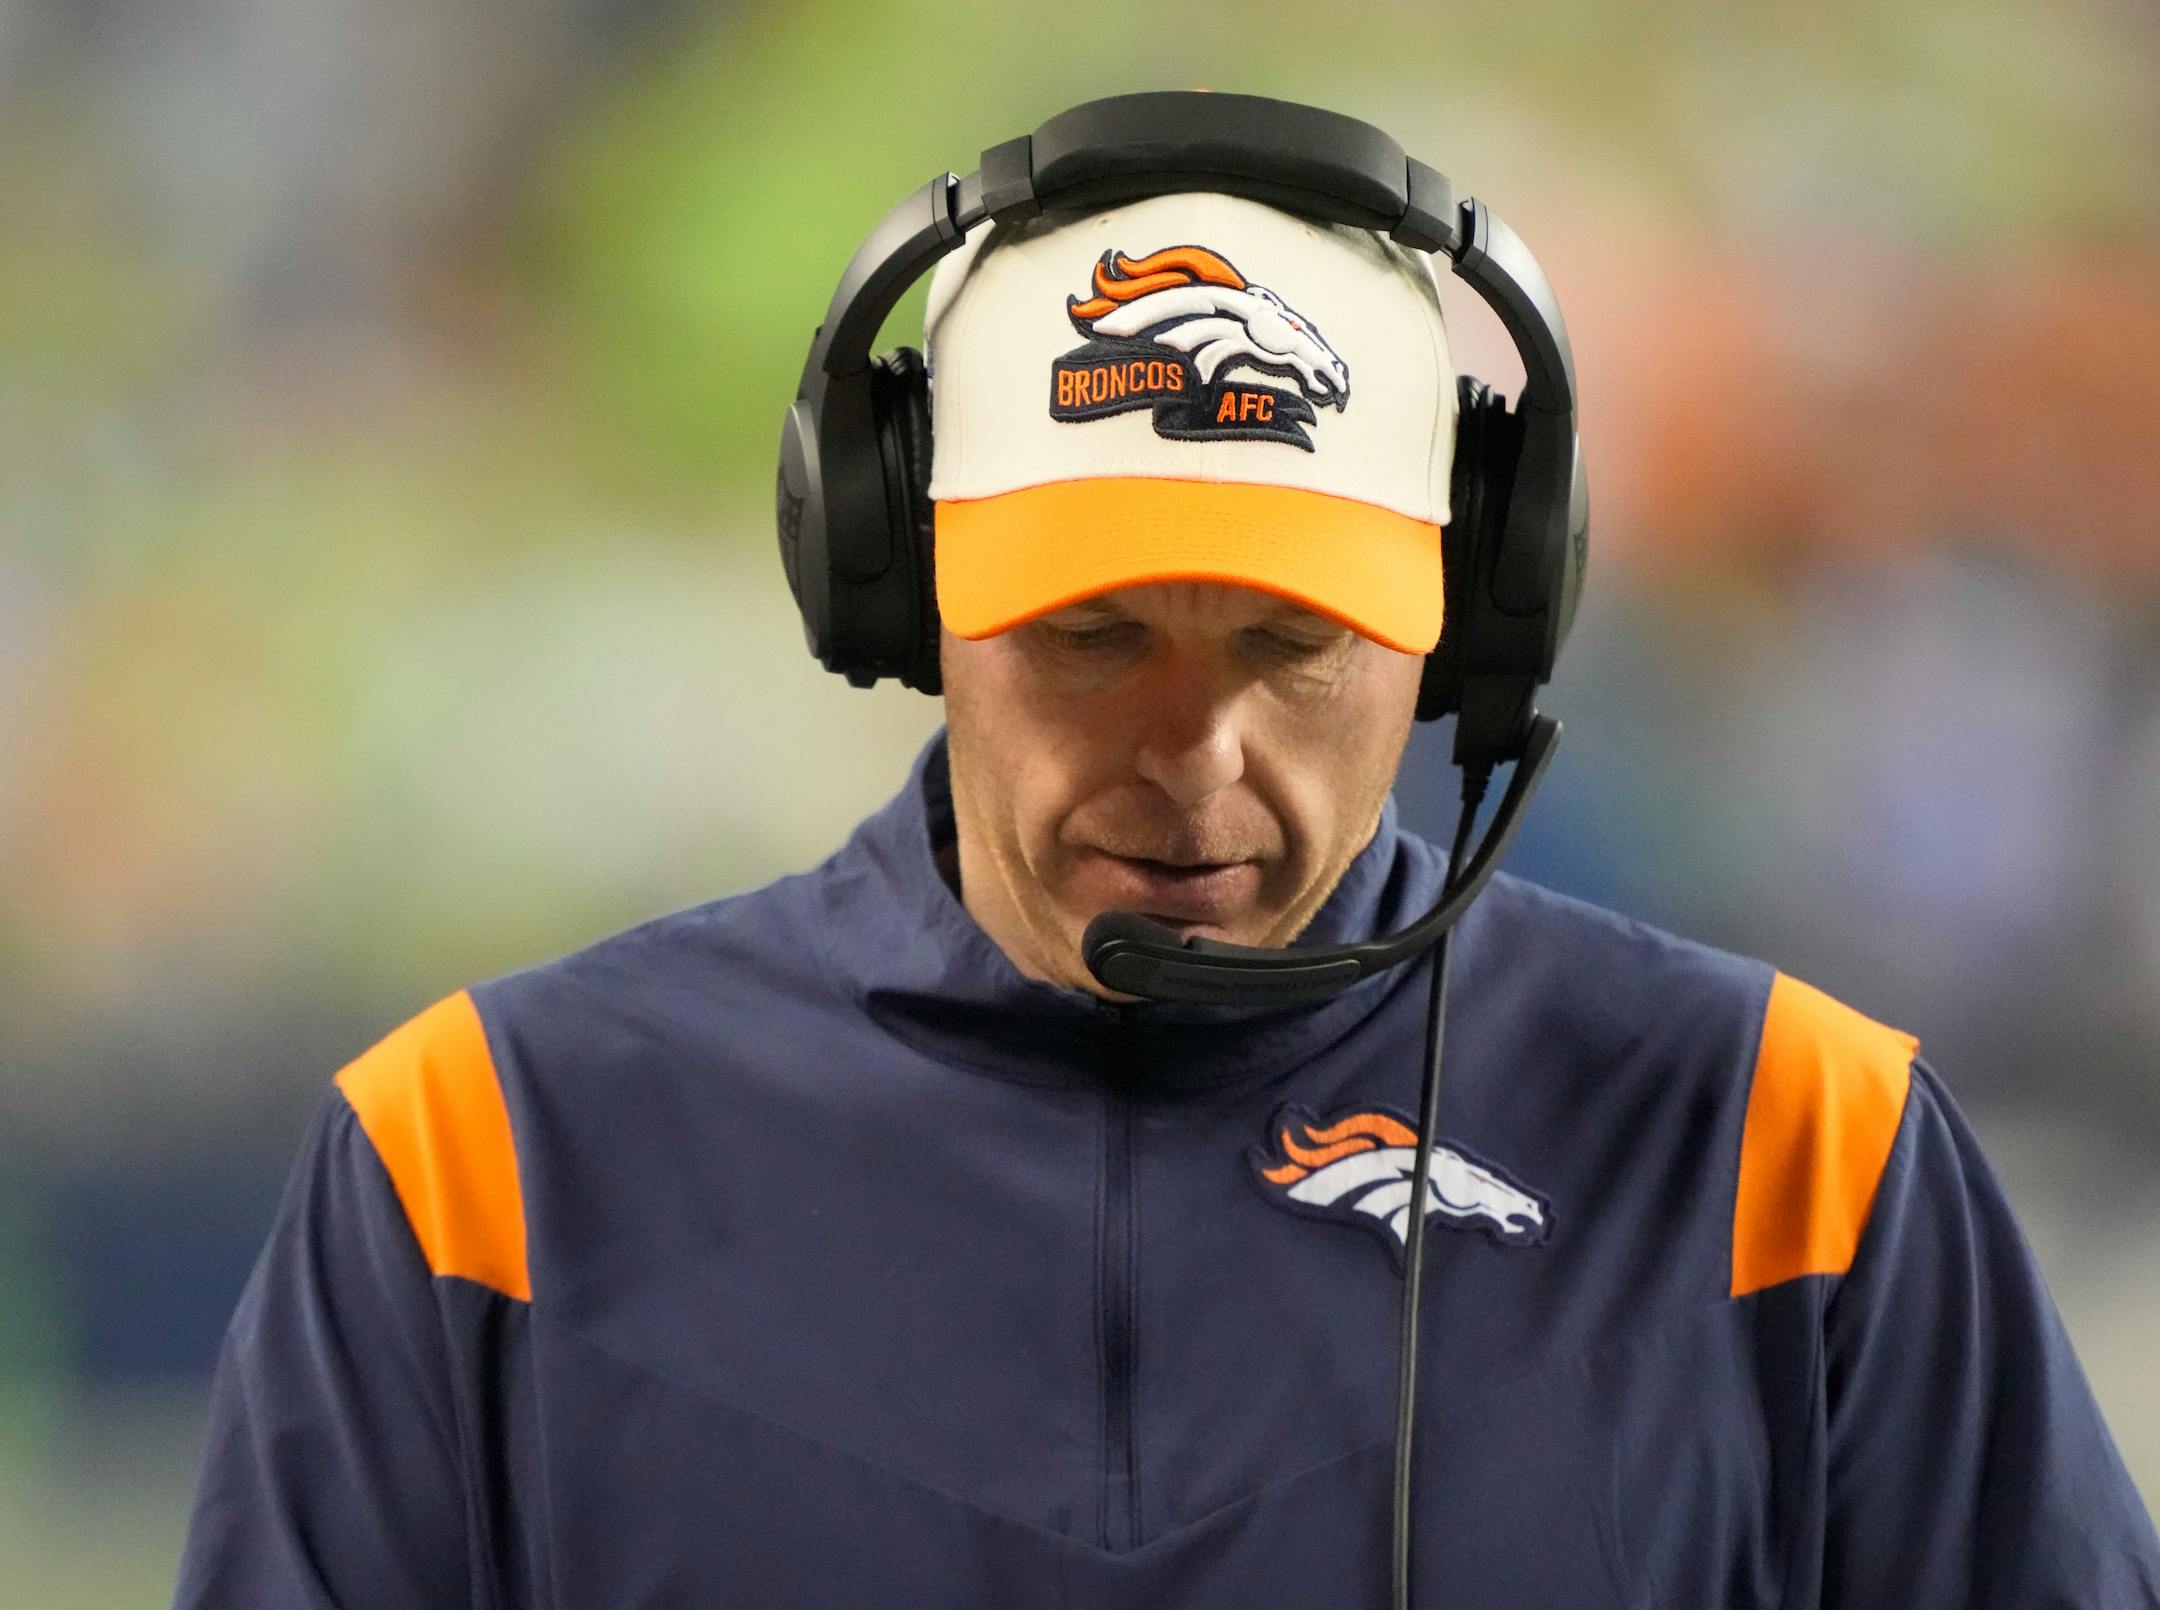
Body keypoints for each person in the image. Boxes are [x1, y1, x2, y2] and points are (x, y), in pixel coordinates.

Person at [173, 106, 2160, 1609]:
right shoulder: (481, 1167)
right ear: (895, 582)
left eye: (1293, 647)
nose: (1195, 756)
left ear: (1469, 624)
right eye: (1092, 638)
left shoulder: (1790, 1156)